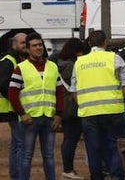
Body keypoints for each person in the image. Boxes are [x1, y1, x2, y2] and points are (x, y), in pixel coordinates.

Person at [74, 30, 125, 180]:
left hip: (89, 113)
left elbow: (74, 91)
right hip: (113, 110)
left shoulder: (79, 62)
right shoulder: (115, 58)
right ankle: (116, 176)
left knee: (93, 149)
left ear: (88, 43)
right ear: (105, 42)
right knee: (116, 145)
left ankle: (96, 177)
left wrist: (83, 105)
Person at [8, 32, 65, 180]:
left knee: (49, 156)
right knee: (26, 156)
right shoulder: (20, 68)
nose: (38, 48)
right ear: (27, 49)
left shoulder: (52, 66)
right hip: (29, 119)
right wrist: (22, 113)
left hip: (49, 118)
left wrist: (58, 114)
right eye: (34, 46)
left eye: (40, 45)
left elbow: (59, 91)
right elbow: (12, 93)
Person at [52, 37, 88, 180]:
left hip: (63, 106)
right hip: (73, 107)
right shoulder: (72, 66)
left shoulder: (57, 63)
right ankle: (68, 170)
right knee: (71, 139)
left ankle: (68, 169)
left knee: (68, 138)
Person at [1, 31, 29, 180]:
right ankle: (18, 176)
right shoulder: (9, 61)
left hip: (11, 108)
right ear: (14, 44)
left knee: (16, 143)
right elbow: (4, 85)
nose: (25, 45)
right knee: (20, 144)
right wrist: (16, 102)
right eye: (22, 43)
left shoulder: (15, 59)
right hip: (11, 109)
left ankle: (15, 174)